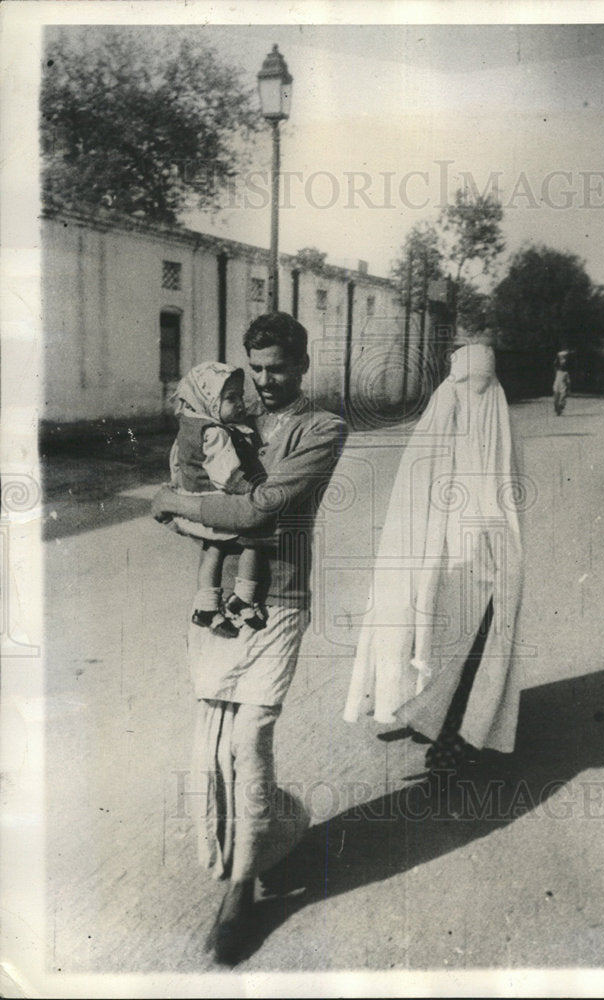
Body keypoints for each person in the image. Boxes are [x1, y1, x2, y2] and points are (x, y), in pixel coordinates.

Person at [152, 312, 346, 964]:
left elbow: (256, 508)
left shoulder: (323, 428)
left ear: (303, 365)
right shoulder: (224, 408)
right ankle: (275, 825)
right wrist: (183, 498)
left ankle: (240, 896)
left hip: (282, 599)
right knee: (212, 747)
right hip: (220, 605)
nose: (266, 381)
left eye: (279, 368)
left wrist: (179, 504)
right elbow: (187, 481)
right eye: (256, 368)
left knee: (250, 737)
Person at [344, 336, 528, 771]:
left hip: (479, 554)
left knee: (466, 643)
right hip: (459, 554)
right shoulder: (480, 413)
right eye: (470, 386)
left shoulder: (474, 414)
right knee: (443, 635)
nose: (476, 396)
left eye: (482, 387)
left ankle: (455, 736)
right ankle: (426, 712)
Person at [168, 361, 268, 639]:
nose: (239, 404)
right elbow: (227, 475)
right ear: (209, 400)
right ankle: (243, 598)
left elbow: (176, 461)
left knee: (213, 549)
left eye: (240, 396)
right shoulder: (215, 432)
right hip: (215, 503)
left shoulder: (189, 424)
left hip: (193, 500)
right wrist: (252, 490)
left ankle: (206, 606)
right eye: (230, 398)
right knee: (254, 538)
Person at [552, 350, 571, 415]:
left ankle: (560, 407)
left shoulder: (566, 373)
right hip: (557, 385)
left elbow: (568, 382)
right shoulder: (557, 371)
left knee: (562, 397)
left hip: (562, 386)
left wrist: (568, 388)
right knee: (556, 398)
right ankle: (557, 409)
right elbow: (555, 364)